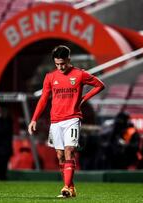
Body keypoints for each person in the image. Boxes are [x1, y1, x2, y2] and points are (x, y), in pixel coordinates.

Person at [27, 45, 105, 198]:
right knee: (60, 155)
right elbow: (43, 99)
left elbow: (99, 85)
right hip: (55, 120)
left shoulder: (80, 75)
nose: (60, 67)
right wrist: (34, 119)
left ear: (69, 59)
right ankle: (71, 188)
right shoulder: (50, 77)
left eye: (63, 63)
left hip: (72, 118)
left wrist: (83, 99)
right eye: (57, 64)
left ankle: (66, 188)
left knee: (69, 151)